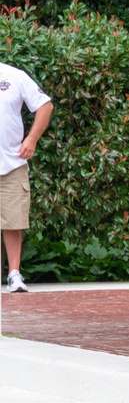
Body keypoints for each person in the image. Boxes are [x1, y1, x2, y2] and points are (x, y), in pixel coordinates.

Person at [0, 62, 53, 293]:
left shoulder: (14, 76)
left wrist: (31, 140)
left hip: (11, 164)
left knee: (13, 222)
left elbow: (45, 106)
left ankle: (14, 275)